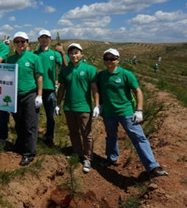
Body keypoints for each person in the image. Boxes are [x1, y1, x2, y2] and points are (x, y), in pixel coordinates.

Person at [97, 48, 168, 177]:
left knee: (139, 138)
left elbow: (137, 91)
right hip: (109, 113)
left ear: (117, 60)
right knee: (111, 137)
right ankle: (112, 158)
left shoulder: (126, 74)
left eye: (112, 58)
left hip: (126, 113)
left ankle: (152, 166)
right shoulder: (101, 75)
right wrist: (99, 105)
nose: (109, 61)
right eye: (106, 59)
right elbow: (97, 90)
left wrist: (139, 110)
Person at [56, 43, 99, 173]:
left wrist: (97, 105)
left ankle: (87, 158)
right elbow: (62, 88)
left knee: (86, 134)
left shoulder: (89, 69)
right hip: (69, 107)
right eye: (71, 53)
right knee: (73, 132)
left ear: (81, 54)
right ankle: (77, 152)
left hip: (84, 107)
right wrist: (58, 104)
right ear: (68, 55)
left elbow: (94, 88)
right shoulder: (64, 70)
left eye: (76, 52)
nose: (74, 55)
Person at [7, 31, 43, 166]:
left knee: (30, 124)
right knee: (19, 123)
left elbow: (39, 77)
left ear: (27, 43)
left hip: (30, 94)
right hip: (15, 95)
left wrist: (39, 95)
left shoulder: (34, 58)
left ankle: (29, 153)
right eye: (17, 42)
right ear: (14, 44)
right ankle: (20, 145)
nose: (20, 44)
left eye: (23, 41)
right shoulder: (10, 59)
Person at [34, 29, 64, 147]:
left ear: (50, 40)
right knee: (33, 115)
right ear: (39, 40)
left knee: (50, 115)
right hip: (34, 88)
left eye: (46, 37)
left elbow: (64, 66)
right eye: (42, 37)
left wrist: (62, 53)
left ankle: (49, 137)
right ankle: (33, 135)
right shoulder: (34, 55)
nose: (44, 39)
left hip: (49, 88)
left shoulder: (54, 54)